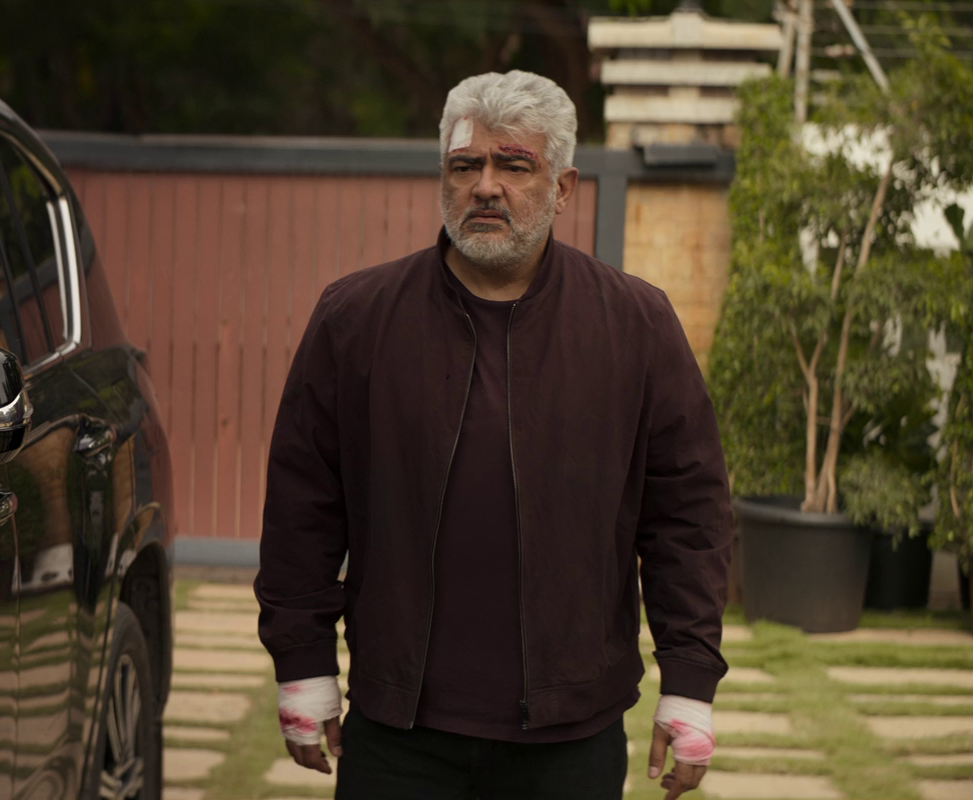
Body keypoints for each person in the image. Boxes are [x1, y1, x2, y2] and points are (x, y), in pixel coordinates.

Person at [255, 71, 733, 800]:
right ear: (443, 179)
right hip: (398, 734)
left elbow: (689, 517)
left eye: (514, 165)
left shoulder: (636, 325)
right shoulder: (356, 320)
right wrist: (303, 666)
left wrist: (690, 682)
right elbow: (302, 507)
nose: (485, 186)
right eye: (465, 166)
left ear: (563, 188)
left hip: (570, 740)